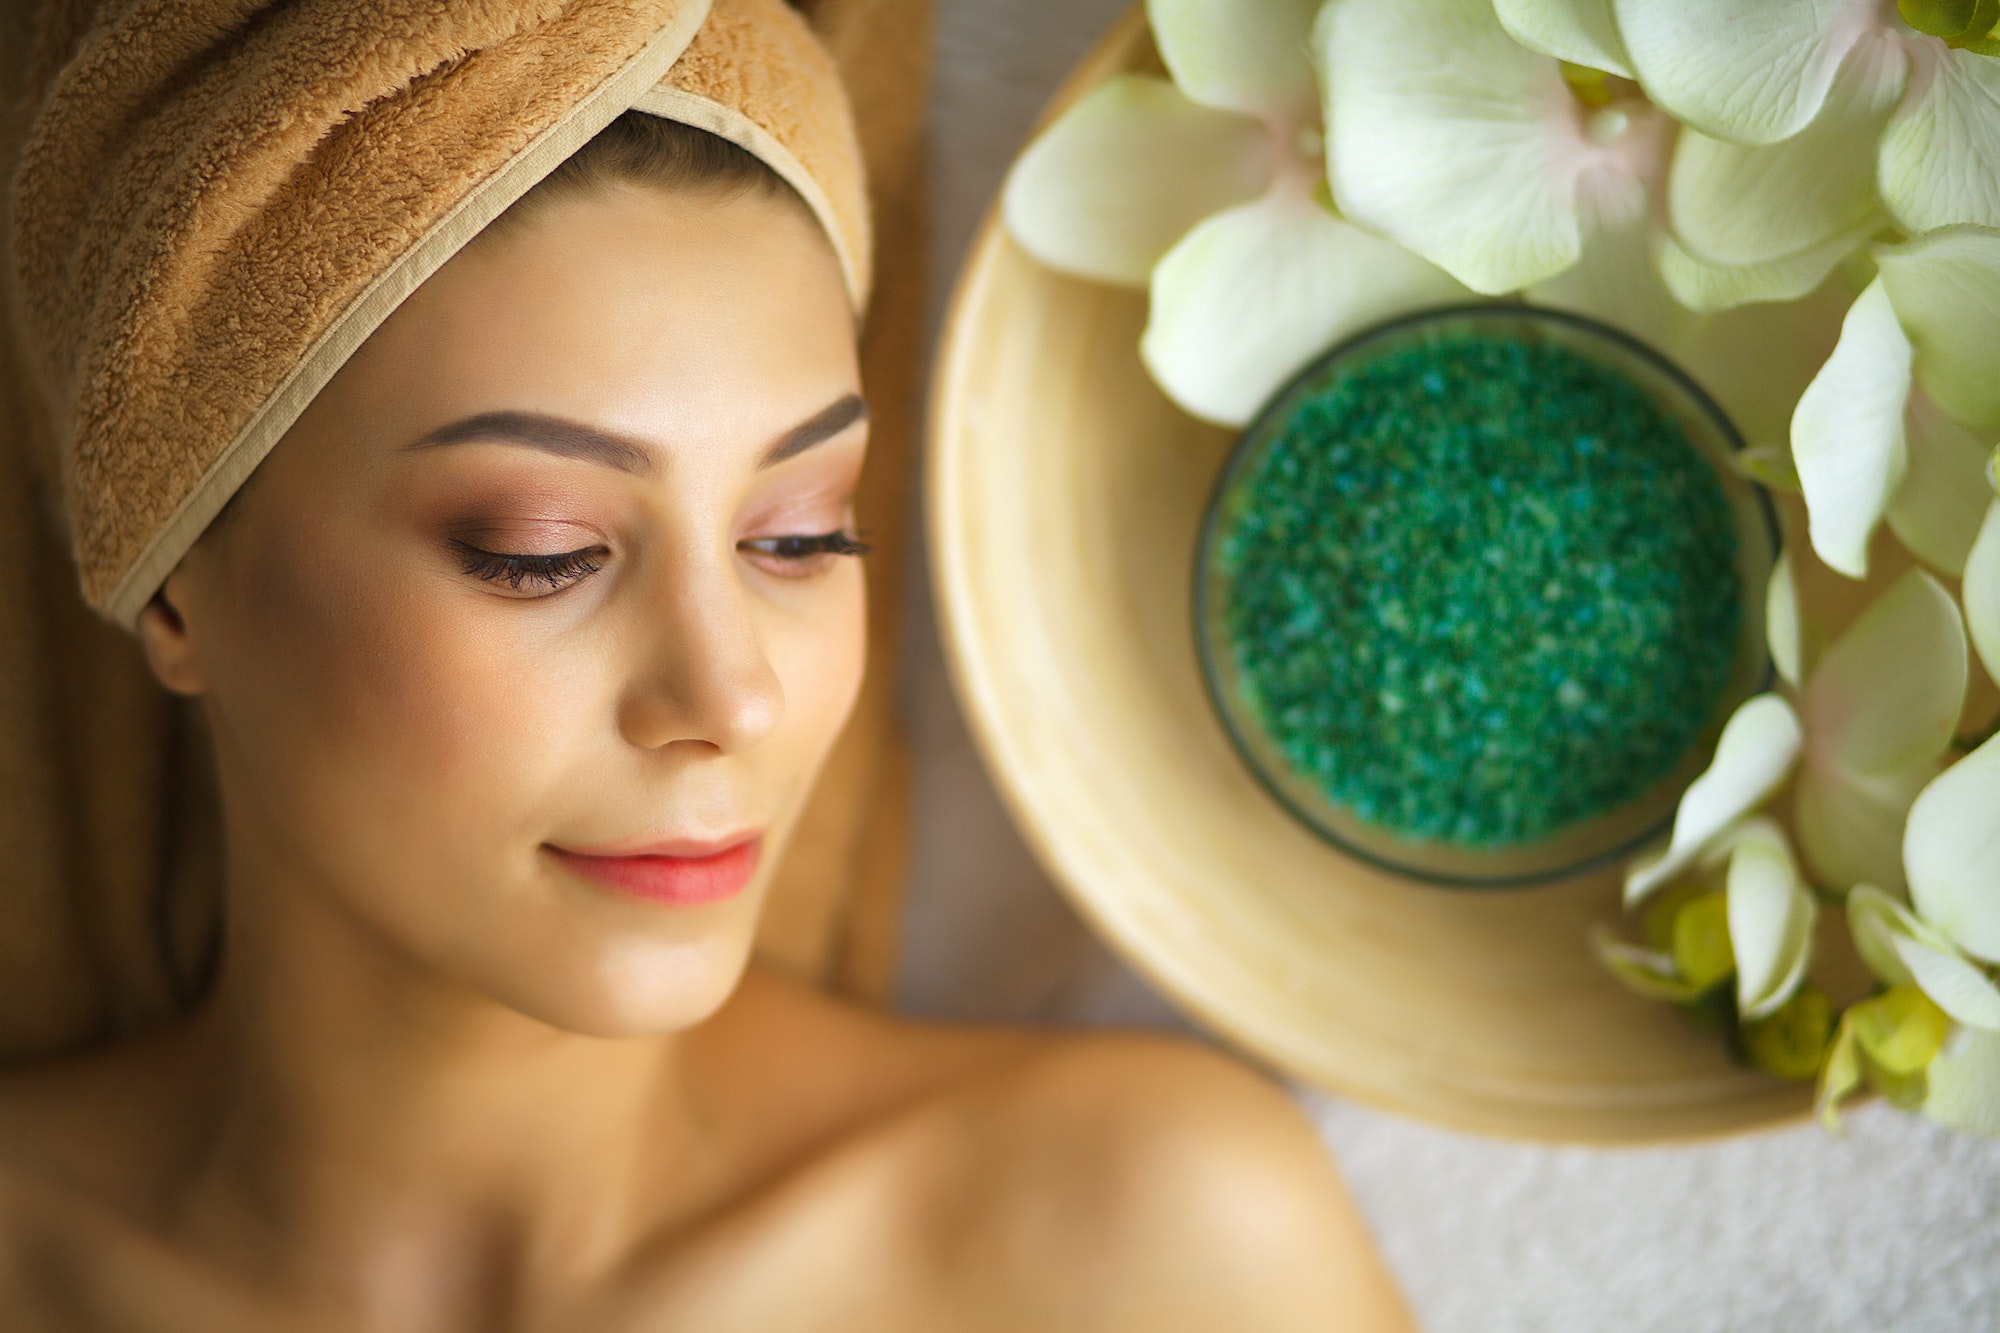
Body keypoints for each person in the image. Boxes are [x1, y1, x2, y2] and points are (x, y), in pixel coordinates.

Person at [0, 2, 1414, 1327]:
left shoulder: (1152, 1245)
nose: (732, 695)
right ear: (179, 589)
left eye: (797, 536)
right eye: (540, 550)